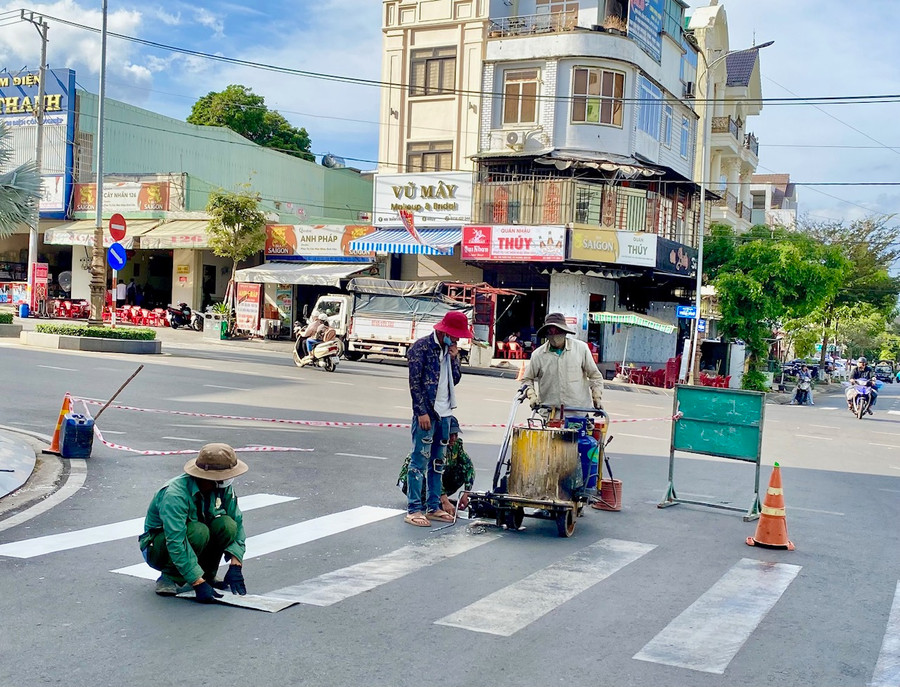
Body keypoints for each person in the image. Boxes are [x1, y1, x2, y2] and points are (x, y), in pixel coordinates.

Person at [138, 443, 249, 603]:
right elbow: (175, 540)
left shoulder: (223, 488)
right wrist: (197, 583)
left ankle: (207, 575)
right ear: (210, 477)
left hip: (192, 541)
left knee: (227, 525)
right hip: (158, 547)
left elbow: (237, 523)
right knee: (198, 531)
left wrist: (236, 565)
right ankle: (169, 576)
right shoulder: (175, 495)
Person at [405, 310, 472, 527]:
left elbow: (456, 379)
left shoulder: (449, 351)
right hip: (428, 413)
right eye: (455, 336)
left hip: (445, 413)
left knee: (437, 463)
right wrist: (421, 412)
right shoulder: (421, 348)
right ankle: (414, 509)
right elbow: (415, 383)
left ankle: (433, 506)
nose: (457, 340)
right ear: (445, 332)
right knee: (419, 461)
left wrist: (454, 358)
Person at [523, 312, 604, 414]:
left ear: (564, 332)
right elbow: (527, 379)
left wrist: (597, 396)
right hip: (550, 413)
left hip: (578, 412)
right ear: (546, 334)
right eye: (550, 332)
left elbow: (595, 376)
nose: (554, 335)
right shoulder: (538, 355)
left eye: (557, 331)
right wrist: (531, 395)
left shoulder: (581, 349)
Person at [397, 416, 474, 517]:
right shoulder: (432, 444)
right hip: (411, 480)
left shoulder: (456, 445)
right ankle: (428, 502)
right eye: (450, 434)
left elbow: (468, 467)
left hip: (435, 479)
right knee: (432, 472)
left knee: (459, 470)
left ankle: (436, 498)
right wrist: (444, 500)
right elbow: (431, 473)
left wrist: (467, 492)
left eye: (455, 434)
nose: (453, 438)